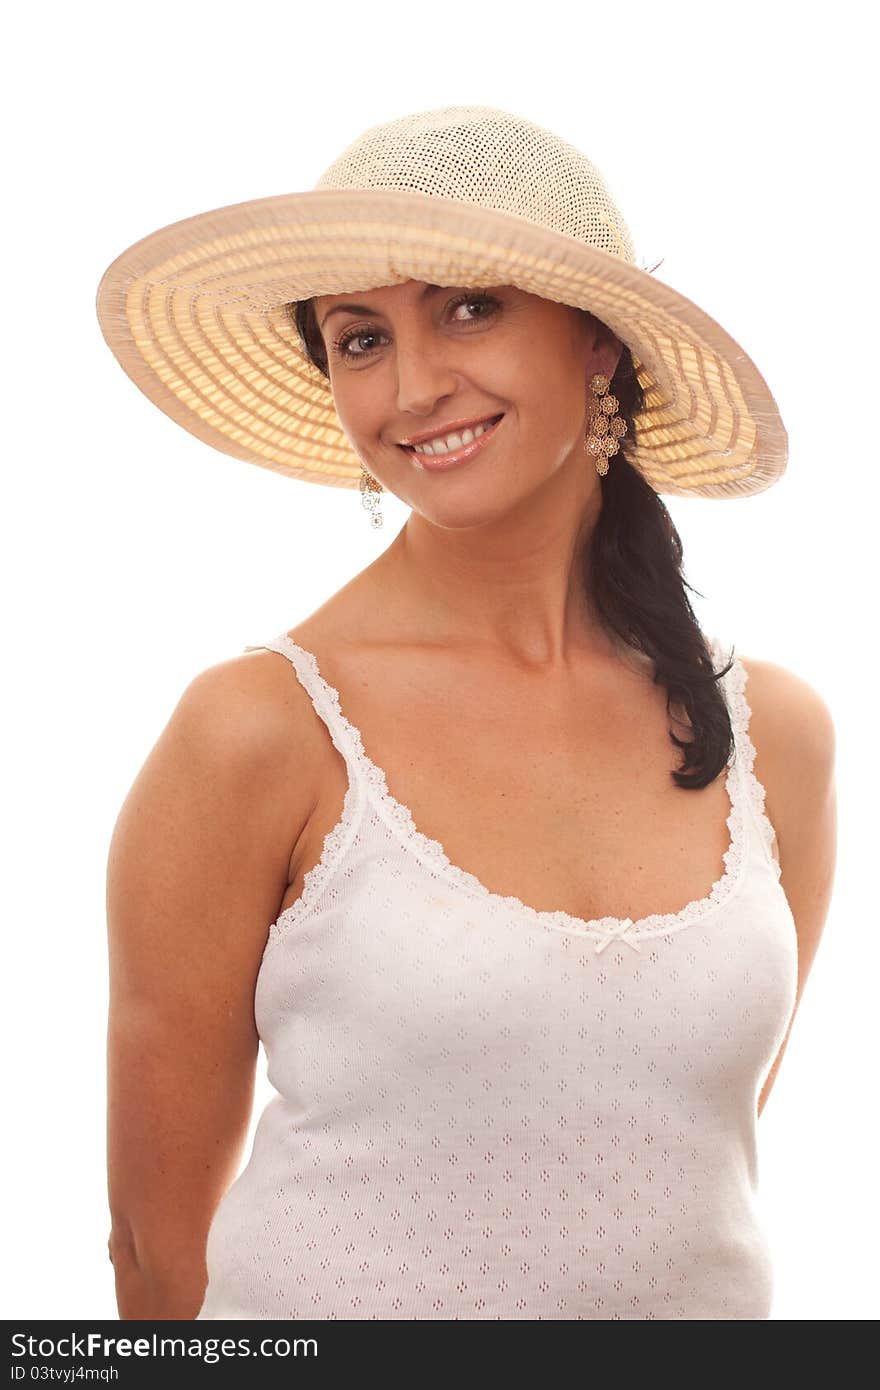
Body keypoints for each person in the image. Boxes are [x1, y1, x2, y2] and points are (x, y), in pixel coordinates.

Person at [96, 105, 837, 1321]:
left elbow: (683, 1152)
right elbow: (153, 1251)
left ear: (595, 339)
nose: (414, 386)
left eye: (470, 308)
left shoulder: (769, 738)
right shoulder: (261, 732)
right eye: (358, 338)